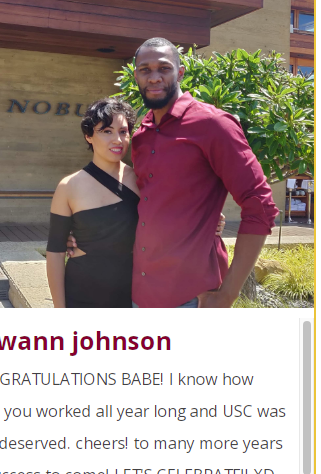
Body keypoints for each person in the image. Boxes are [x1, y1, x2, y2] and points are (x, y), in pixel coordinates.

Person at [68, 37, 278, 308]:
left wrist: (228, 294)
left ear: (180, 72)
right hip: (138, 292)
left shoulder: (213, 125)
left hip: (190, 298)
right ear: (136, 77)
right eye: (145, 70)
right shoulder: (141, 135)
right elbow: (146, 202)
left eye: (163, 68)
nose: (154, 77)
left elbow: (260, 205)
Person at [47, 97, 225, 308]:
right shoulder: (69, 186)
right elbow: (56, 252)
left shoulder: (144, 179)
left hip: (137, 293)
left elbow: (175, 214)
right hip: (83, 292)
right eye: (106, 131)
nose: (117, 140)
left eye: (123, 132)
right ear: (89, 137)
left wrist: (211, 219)